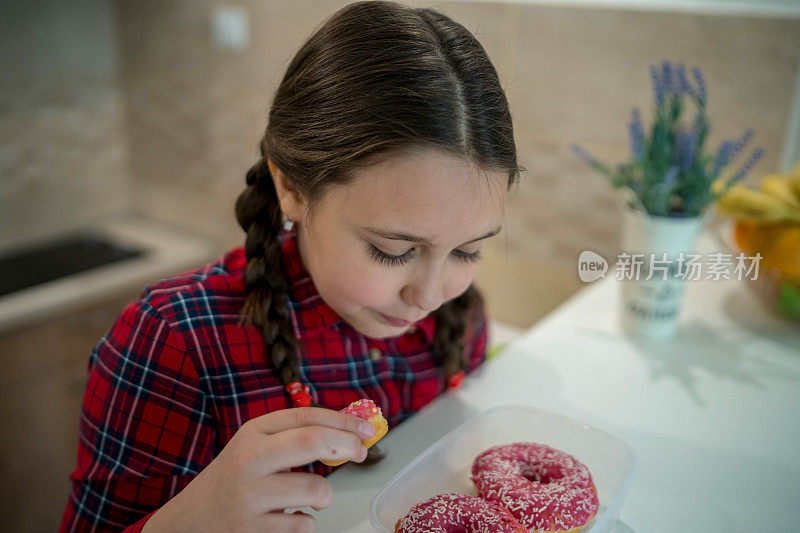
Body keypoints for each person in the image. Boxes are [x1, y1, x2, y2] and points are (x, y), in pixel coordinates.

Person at [60, 1, 521, 531]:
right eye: (393, 251)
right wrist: (184, 521)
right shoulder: (175, 342)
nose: (431, 295)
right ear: (291, 189)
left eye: (467, 250)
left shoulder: (456, 317)